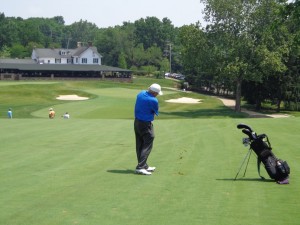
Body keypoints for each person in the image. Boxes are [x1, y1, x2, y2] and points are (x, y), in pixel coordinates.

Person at [134, 83, 163, 175]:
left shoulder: (141, 93)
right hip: (145, 124)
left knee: (140, 143)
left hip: (137, 122)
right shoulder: (153, 100)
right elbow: (155, 111)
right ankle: (140, 167)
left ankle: (144, 165)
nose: (157, 95)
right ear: (154, 93)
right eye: (157, 93)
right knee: (149, 139)